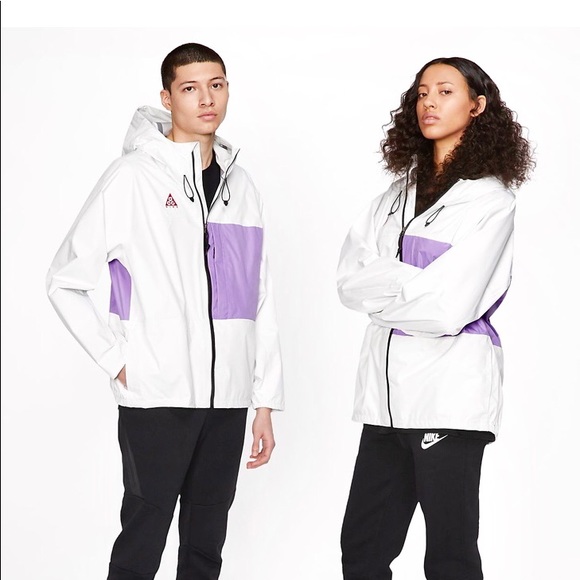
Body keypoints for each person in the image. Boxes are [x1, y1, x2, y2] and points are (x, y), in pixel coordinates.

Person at [46, 42, 284, 580]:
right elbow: (63, 280)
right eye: (190, 88)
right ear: (167, 97)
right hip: (157, 395)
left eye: (216, 85)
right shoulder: (133, 177)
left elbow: (258, 296)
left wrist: (265, 400)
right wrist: (118, 361)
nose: (207, 99)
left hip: (227, 398)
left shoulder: (242, 187)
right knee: (143, 537)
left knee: (206, 543)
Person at [336, 57, 534, 579]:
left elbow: (449, 307)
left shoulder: (490, 202)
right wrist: (413, 286)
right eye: (423, 93)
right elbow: (349, 281)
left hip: (448, 398)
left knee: (449, 557)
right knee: (362, 550)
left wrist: (385, 289)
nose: (429, 102)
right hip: (383, 403)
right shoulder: (395, 195)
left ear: (477, 106)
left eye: (445, 92)